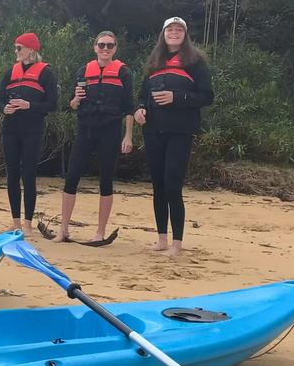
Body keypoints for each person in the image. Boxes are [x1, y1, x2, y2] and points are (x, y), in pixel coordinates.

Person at [133, 16, 213, 257]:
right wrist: (139, 109)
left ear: (185, 34)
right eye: (170, 29)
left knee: (172, 185)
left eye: (179, 29)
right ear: (163, 34)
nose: (174, 33)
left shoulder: (195, 62)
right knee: (158, 185)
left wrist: (177, 98)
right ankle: (161, 238)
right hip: (153, 130)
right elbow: (142, 94)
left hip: (180, 130)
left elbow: (207, 96)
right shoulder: (155, 62)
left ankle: (177, 243)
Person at [55, 31, 134, 243]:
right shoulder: (83, 71)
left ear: (115, 48)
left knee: (106, 179)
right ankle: (63, 229)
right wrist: (75, 100)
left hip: (110, 130)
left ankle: (99, 232)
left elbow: (129, 107)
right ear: (95, 47)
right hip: (86, 128)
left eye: (109, 45)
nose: (105, 49)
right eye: (101, 45)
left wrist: (128, 136)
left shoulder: (124, 73)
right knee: (72, 176)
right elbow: (71, 105)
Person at [0, 32, 58, 233]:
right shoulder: (10, 72)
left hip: (32, 130)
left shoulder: (46, 73)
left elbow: (52, 104)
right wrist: (5, 108)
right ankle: (15, 222)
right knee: (12, 174)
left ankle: (28, 223)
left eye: (19, 48)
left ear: (31, 50)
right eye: (16, 48)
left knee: (28, 174)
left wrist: (28, 105)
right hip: (10, 129)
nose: (16, 51)